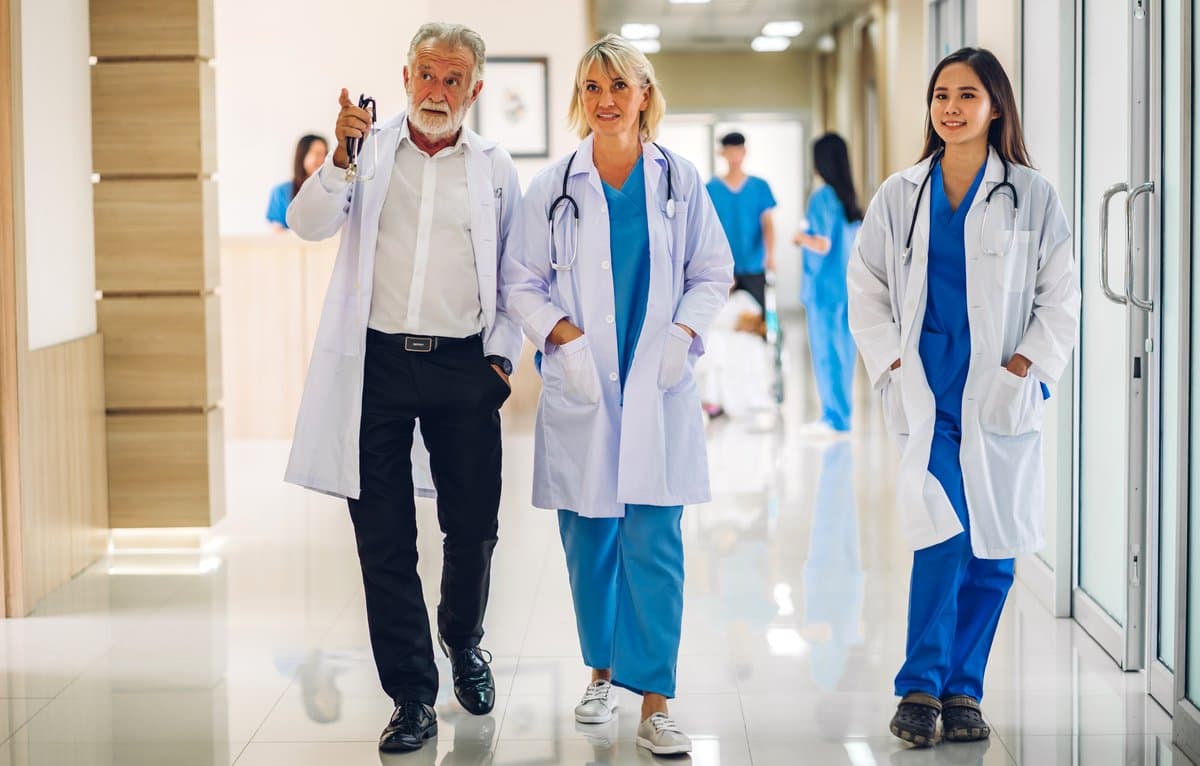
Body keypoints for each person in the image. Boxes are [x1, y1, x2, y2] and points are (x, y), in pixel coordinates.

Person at [283, 22, 524, 754]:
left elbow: (515, 274)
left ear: (475, 89)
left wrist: (501, 364)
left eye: (454, 80)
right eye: (427, 75)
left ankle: (464, 640)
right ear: (405, 76)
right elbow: (307, 224)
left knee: (473, 527)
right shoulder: (368, 151)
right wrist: (340, 161)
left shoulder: (494, 167)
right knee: (383, 539)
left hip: (463, 366)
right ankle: (412, 696)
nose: (437, 91)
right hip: (378, 367)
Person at [502, 35, 733, 756]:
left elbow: (712, 270)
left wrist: (678, 337)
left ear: (644, 95)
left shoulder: (679, 181)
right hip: (584, 386)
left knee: (656, 542)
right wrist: (563, 340)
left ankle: (655, 700)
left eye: (620, 86)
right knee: (590, 540)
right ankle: (601, 672)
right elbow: (519, 283)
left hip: (657, 383)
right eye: (593, 87)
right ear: (583, 98)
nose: (606, 101)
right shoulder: (553, 187)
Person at [848, 47, 1079, 747]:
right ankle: (920, 685)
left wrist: (1021, 368)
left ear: (995, 106)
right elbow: (868, 287)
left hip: (996, 393)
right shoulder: (902, 193)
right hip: (926, 390)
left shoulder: (1031, 194)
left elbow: (1059, 294)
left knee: (995, 553)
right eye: (941, 94)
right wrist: (891, 363)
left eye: (967, 95)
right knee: (943, 533)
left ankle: (964, 691)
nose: (950, 107)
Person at [793, 133, 864, 437]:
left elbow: (821, 244)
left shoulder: (821, 198)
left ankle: (834, 419)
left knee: (826, 352)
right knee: (843, 353)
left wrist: (799, 238)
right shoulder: (849, 199)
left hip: (824, 289)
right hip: (846, 288)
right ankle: (839, 415)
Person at [705, 132, 777, 311]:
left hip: (754, 264)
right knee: (723, 320)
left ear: (744, 152)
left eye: (738, 151)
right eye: (730, 151)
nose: (734, 156)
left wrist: (770, 256)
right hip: (722, 266)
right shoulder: (711, 188)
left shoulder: (760, 186)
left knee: (755, 318)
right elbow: (707, 230)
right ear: (722, 153)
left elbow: (768, 224)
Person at [266, 134, 328, 230]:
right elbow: (277, 230)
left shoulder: (331, 191)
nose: (322, 160)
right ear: (302, 155)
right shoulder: (281, 192)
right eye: (317, 154)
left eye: (325, 155)